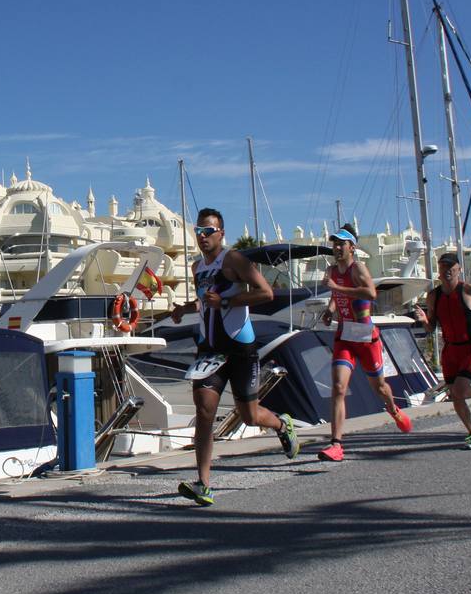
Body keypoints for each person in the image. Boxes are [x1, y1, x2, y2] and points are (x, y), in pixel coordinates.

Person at [169, 208, 297, 505]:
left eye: (208, 231)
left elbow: (267, 293)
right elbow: (205, 301)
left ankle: (281, 424)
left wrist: (226, 299)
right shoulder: (196, 267)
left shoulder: (234, 260)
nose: (202, 237)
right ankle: (203, 483)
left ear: (221, 233)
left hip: (240, 348)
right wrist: (182, 310)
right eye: (199, 231)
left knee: (250, 416)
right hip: (210, 349)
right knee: (204, 411)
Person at [317, 223, 413, 462]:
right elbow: (335, 295)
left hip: (365, 335)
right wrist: (330, 311)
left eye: (342, 243)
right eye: (335, 243)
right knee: (338, 388)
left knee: (379, 387)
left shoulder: (357, 269)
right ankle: (336, 445)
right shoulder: (332, 270)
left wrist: (337, 287)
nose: (337, 247)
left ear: (352, 247)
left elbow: (370, 293)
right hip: (344, 336)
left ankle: (393, 408)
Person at [411, 253, 471, 450]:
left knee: (459, 391)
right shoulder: (434, 296)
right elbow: (431, 328)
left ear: (459, 269)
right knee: (454, 394)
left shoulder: (468, 290)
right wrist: (424, 320)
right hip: (450, 349)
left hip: (470, 347)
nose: (447, 271)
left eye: (451, 267)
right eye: (443, 267)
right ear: (439, 271)